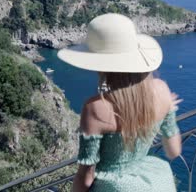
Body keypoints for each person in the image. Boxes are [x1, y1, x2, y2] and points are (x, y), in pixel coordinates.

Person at [58, 13, 182, 192]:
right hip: (155, 184)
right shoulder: (162, 90)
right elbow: (173, 151)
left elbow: (86, 173)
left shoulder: (95, 108)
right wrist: (169, 108)